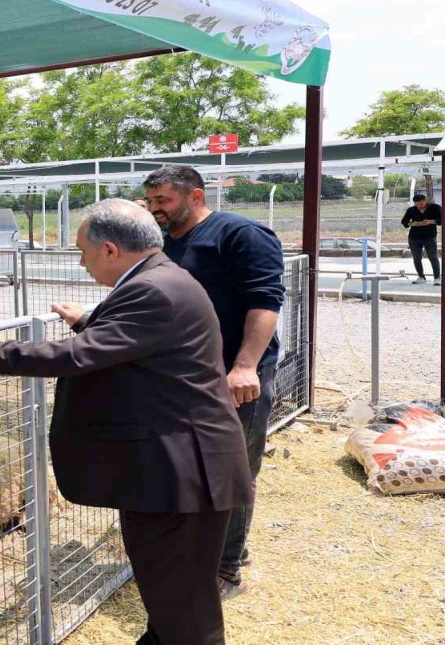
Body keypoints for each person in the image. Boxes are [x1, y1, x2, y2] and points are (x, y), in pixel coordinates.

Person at [0, 199, 252, 645]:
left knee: (186, 615)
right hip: (180, 471)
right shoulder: (163, 280)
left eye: (82, 253)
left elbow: (77, 357)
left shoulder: (153, 290)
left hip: (181, 477)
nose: (82, 263)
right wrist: (89, 320)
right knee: (174, 602)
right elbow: (142, 343)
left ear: (109, 249)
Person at [143, 165, 284, 601]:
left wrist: (244, 367)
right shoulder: (162, 242)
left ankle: (227, 567)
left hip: (235, 377)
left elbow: (265, 301)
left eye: (163, 201)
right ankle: (200, 550)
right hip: (184, 376)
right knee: (191, 466)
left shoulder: (240, 234)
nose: (155, 210)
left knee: (234, 470)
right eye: (150, 202)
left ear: (196, 196)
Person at [401, 193, 441, 285]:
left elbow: (441, 219)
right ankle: (421, 277)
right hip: (414, 237)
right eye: (418, 203)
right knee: (416, 258)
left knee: (433, 257)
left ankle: (437, 278)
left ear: (426, 201)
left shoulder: (435, 208)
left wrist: (431, 221)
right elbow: (404, 222)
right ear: (415, 203)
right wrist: (416, 223)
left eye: (423, 202)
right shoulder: (411, 210)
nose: (421, 205)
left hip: (430, 236)